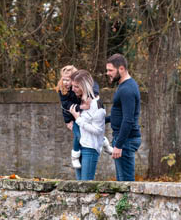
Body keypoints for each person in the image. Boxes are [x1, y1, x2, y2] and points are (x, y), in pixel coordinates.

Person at [57, 65, 111, 169]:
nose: (65, 83)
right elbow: (65, 105)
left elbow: (93, 84)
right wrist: (79, 108)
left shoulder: (80, 86)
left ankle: (104, 143)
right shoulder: (62, 89)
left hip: (83, 114)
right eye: (63, 80)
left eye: (68, 80)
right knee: (79, 136)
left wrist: (93, 95)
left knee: (91, 131)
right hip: (72, 116)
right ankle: (75, 156)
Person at [105, 53, 141, 181]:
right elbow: (120, 115)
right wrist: (102, 120)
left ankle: (127, 202)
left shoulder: (127, 89)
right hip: (123, 139)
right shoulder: (124, 86)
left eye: (110, 70)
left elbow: (128, 119)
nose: (108, 73)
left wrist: (119, 145)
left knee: (126, 184)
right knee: (121, 183)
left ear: (121, 68)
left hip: (126, 140)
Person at [67, 70, 108, 181]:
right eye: (73, 86)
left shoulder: (97, 105)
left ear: (84, 86)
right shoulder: (80, 100)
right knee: (79, 186)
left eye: (76, 86)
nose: (72, 89)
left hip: (90, 149)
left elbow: (98, 130)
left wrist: (78, 119)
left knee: (85, 186)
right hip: (80, 147)